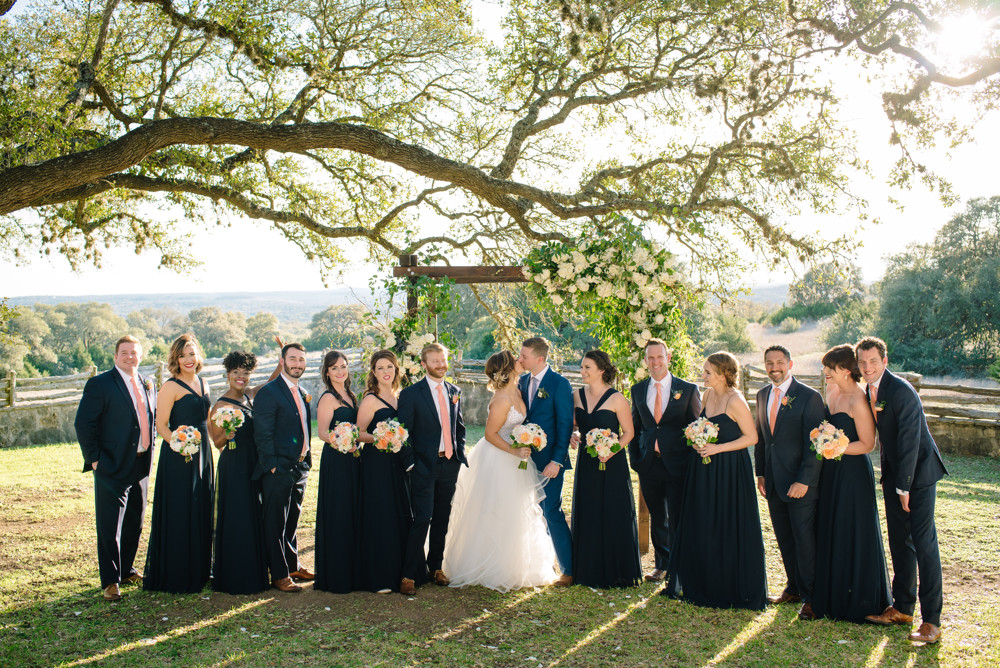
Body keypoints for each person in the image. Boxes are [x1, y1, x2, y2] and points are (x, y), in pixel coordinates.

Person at [857, 336, 947, 644]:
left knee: (924, 544)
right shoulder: (870, 390)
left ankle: (931, 620)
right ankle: (903, 608)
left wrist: (904, 486)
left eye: (872, 361)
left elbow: (909, 442)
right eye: (862, 362)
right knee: (899, 541)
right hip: (896, 477)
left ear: (884, 361)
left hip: (918, 476)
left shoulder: (902, 390)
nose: (867, 367)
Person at [443, 350, 557, 591]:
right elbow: (489, 434)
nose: (520, 360)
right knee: (496, 509)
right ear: (507, 368)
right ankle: (491, 564)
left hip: (516, 458)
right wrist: (513, 451)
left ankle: (518, 563)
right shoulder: (502, 399)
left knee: (518, 510)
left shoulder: (519, 388)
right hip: (499, 457)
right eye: (516, 359)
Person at [664, 352, 766, 610]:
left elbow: (751, 437)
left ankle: (728, 585)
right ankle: (705, 581)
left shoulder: (736, 400)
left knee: (727, 521)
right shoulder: (708, 395)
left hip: (730, 469)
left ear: (723, 374)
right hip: (705, 467)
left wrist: (717, 449)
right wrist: (698, 438)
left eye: (708, 372)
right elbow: (702, 423)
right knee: (705, 519)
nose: (703, 375)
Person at [812, 344, 891, 622]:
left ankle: (859, 599)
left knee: (852, 528)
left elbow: (868, 444)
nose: (825, 374)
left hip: (853, 473)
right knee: (832, 526)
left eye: (829, 369)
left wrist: (836, 446)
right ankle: (832, 596)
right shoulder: (832, 392)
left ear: (845, 371)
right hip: (832, 472)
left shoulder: (859, 400)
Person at [74, 335, 155, 601]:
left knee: (136, 521)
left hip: (141, 463)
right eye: (124, 353)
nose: (130, 357)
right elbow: (84, 424)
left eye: (134, 352)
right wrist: (95, 460)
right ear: (115, 356)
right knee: (110, 525)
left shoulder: (148, 383)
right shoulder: (100, 384)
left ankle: (126, 569)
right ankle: (110, 581)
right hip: (111, 464)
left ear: (140, 355)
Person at [754, 344, 825, 620]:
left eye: (779, 362)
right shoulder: (761, 395)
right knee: (784, 537)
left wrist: (805, 480)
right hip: (772, 481)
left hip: (800, 483)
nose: (774, 368)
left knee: (804, 539)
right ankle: (793, 587)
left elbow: (816, 443)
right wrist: (760, 473)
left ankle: (811, 598)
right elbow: (763, 439)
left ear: (790, 364)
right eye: (769, 363)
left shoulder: (809, 397)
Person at [144, 333, 214, 593]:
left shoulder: (204, 383)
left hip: (204, 453)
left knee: (201, 505)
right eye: (183, 355)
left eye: (192, 354)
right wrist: (180, 445)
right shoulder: (170, 387)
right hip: (179, 455)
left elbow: (207, 419)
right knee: (181, 508)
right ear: (175, 358)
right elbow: (160, 425)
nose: (188, 359)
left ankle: (200, 568)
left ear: (198, 356)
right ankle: (177, 571)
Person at [628, 338, 701, 583]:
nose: (655, 362)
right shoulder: (637, 390)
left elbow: (697, 427)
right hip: (649, 463)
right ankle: (662, 565)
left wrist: (693, 460)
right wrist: (635, 459)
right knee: (658, 515)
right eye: (651, 357)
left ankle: (682, 564)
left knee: (679, 515)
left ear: (668, 358)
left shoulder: (688, 389)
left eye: (660, 357)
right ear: (645, 360)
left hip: (679, 463)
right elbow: (635, 427)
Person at [398, 342, 467, 595]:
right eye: (435, 361)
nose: (441, 365)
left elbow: (459, 427)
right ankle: (408, 573)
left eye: (443, 359)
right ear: (424, 364)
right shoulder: (411, 394)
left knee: (442, 518)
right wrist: (412, 463)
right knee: (422, 519)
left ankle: (435, 567)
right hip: (423, 466)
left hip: (449, 464)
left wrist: (459, 455)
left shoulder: (455, 391)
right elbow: (402, 433)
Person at [208, 350, 279, 596]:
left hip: (253, 463)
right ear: (228, 374)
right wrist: (226, 435)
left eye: (245, 373)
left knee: (253, 515)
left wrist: (283, 359)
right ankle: (237, 575)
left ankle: (256, 570)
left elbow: (272, 382)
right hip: (235, 466)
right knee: (238, 517)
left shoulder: (250, 395)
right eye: (236, 372)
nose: (241, 377)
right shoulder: (220, 404)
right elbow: (217, 442)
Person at [571, 350, 640, 588]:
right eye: (581, 367)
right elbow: (575, 426)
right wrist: (574, 434)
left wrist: (612, 450)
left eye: (587, 367)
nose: (583, 372)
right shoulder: (576, 396)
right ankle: (588, 569)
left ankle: (615, 571)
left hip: (612, 463)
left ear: (601, 370)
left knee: (612, 510)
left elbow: (629, 433)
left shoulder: (617, 398)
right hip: (587, 462)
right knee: (588, 509)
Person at [253, 342, 315, 593]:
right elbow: (263, 433)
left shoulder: (302, 392)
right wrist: (273, 467)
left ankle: (292, 564)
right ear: (282, 361)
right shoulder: (269, 392)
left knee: (292, 521)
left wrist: (306, 462)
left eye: (301, 360)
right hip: (279, 469)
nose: (297, 364)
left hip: (301, 467)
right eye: (293, 359)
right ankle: (279, 574)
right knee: (275, 523)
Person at [517, 336, 575, 586]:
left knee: (551, 510)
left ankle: (569, 568)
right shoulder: (522, 380)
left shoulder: (559, 383)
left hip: (550, 460)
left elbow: (564, 425)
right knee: (530, 511)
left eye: (524, 356)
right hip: (523, 459)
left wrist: (557, 460)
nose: (520, 360)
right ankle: (538, 563)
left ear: (540, 358)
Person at [356, 350, 411, 594]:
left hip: (399, 464)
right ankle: (381, 576)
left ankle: (405, 572)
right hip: (376, 463)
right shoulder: (370, 399)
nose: (386, 371)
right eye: (380, 368)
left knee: (401, 513)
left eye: (389, 366)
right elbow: (358, 433)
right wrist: (381, 438)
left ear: (396, 369)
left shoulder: (402, 396)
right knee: (382, 514)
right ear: (374, 372)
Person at [313, 350, 361, 594]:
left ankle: (352, 569)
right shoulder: (327, 398)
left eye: (343, 366)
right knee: (338, 510)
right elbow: (322, 432)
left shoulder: (351, 396)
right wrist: (341, 442)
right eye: (335, 368)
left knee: (352, 510)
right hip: (336, 458)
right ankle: (336, 573)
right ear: (327, 372)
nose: (340, 371)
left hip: (353, 459)